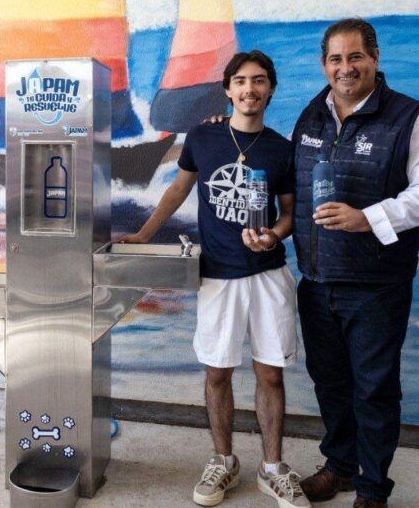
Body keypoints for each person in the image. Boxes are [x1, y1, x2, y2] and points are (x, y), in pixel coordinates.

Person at [123, 51, 308, 508]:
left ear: (270, 88)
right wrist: (144, 234)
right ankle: (223, 461)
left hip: (268, 274)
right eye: (240, 81)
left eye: (259, 81)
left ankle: (272, 468)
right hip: (217, 277)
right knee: (218, 372)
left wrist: (273, 235)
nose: (250, 89)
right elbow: (177, 189)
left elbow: (289, 214)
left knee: (270, 373)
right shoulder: (203, 135)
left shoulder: (281, 148)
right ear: (227, 89)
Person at [291, 18, 419, 508]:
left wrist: (368, 218)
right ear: (324, 64)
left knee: (375, 389)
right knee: (330, 383)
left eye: (355, 56)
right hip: (316, 279)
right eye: (335, 59)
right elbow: (290, 183)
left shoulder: (411, 117)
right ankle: (339, 466)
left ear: (375, 59)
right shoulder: (311, 115)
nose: (346, 67)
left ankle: (373, 487)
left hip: (376, 284)